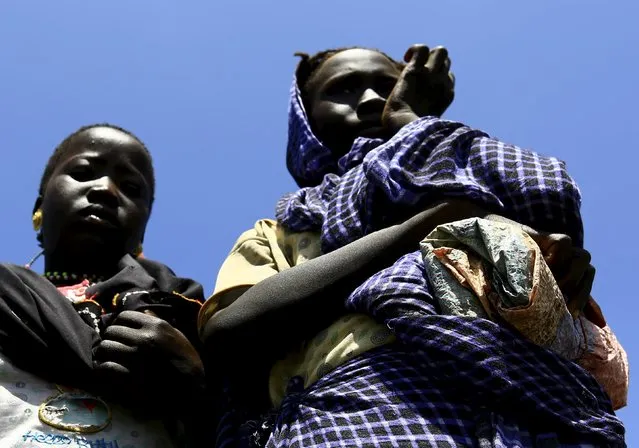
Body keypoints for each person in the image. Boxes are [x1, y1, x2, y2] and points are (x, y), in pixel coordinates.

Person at [201, 45, 626, 447]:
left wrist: (410, 121)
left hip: (535, 398)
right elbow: (232, 331)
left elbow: (548, 201)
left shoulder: (456, 164)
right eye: (343, 89)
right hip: (362, 410)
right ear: (306, 122)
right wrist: (429, 223)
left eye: (388, 87)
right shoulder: (285, 230)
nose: (370, 100)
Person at [0, 124, 209, 447]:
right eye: (83, 172)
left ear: (142, 231)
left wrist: (195, 384)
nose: (106, 189)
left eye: (130, 188)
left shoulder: (187, 313)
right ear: (38, 208)